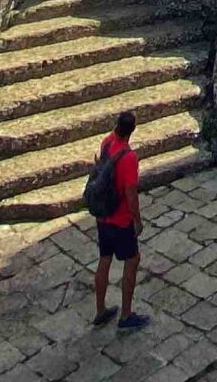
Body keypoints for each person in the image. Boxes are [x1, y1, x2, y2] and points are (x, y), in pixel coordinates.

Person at [87, 108, 149, 333]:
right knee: (132, 261)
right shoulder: (129, 158)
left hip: (103, 215)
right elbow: (131, 194)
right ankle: (125, 315)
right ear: (132, 131)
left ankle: (101, 310)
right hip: (121, 220)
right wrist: (138, 220)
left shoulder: (106, 142)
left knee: (105, 259)